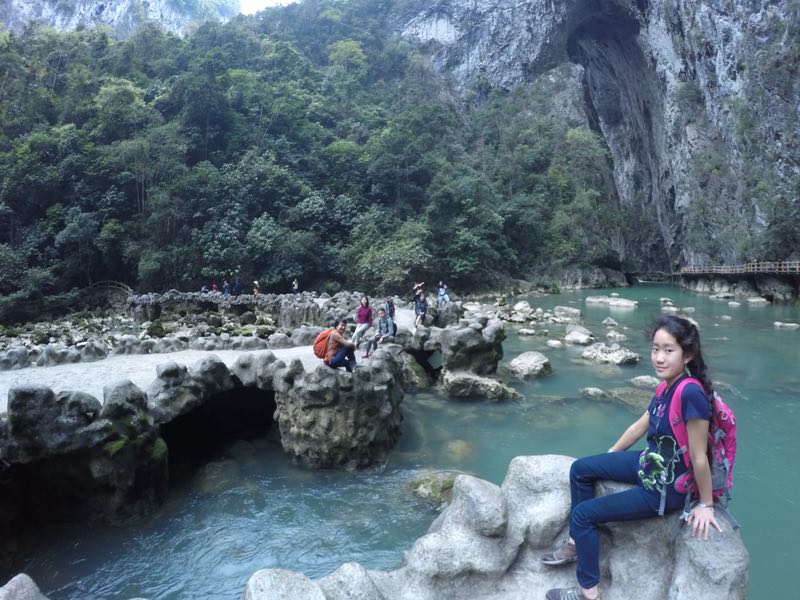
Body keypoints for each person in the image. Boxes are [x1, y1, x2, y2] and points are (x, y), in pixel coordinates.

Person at [542, 315, 721, 600]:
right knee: (581, 469)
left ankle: (588, 592)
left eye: (668, 350)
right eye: (655, 349)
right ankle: (578, 542)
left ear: (687, 355)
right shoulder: (666, 386)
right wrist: (610, 456)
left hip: (663, 489)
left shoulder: (691, 394)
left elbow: (699, 457)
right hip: (650, 463)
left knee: (583, 514)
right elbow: (641, 425)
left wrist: (707, 504)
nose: (659, 358)